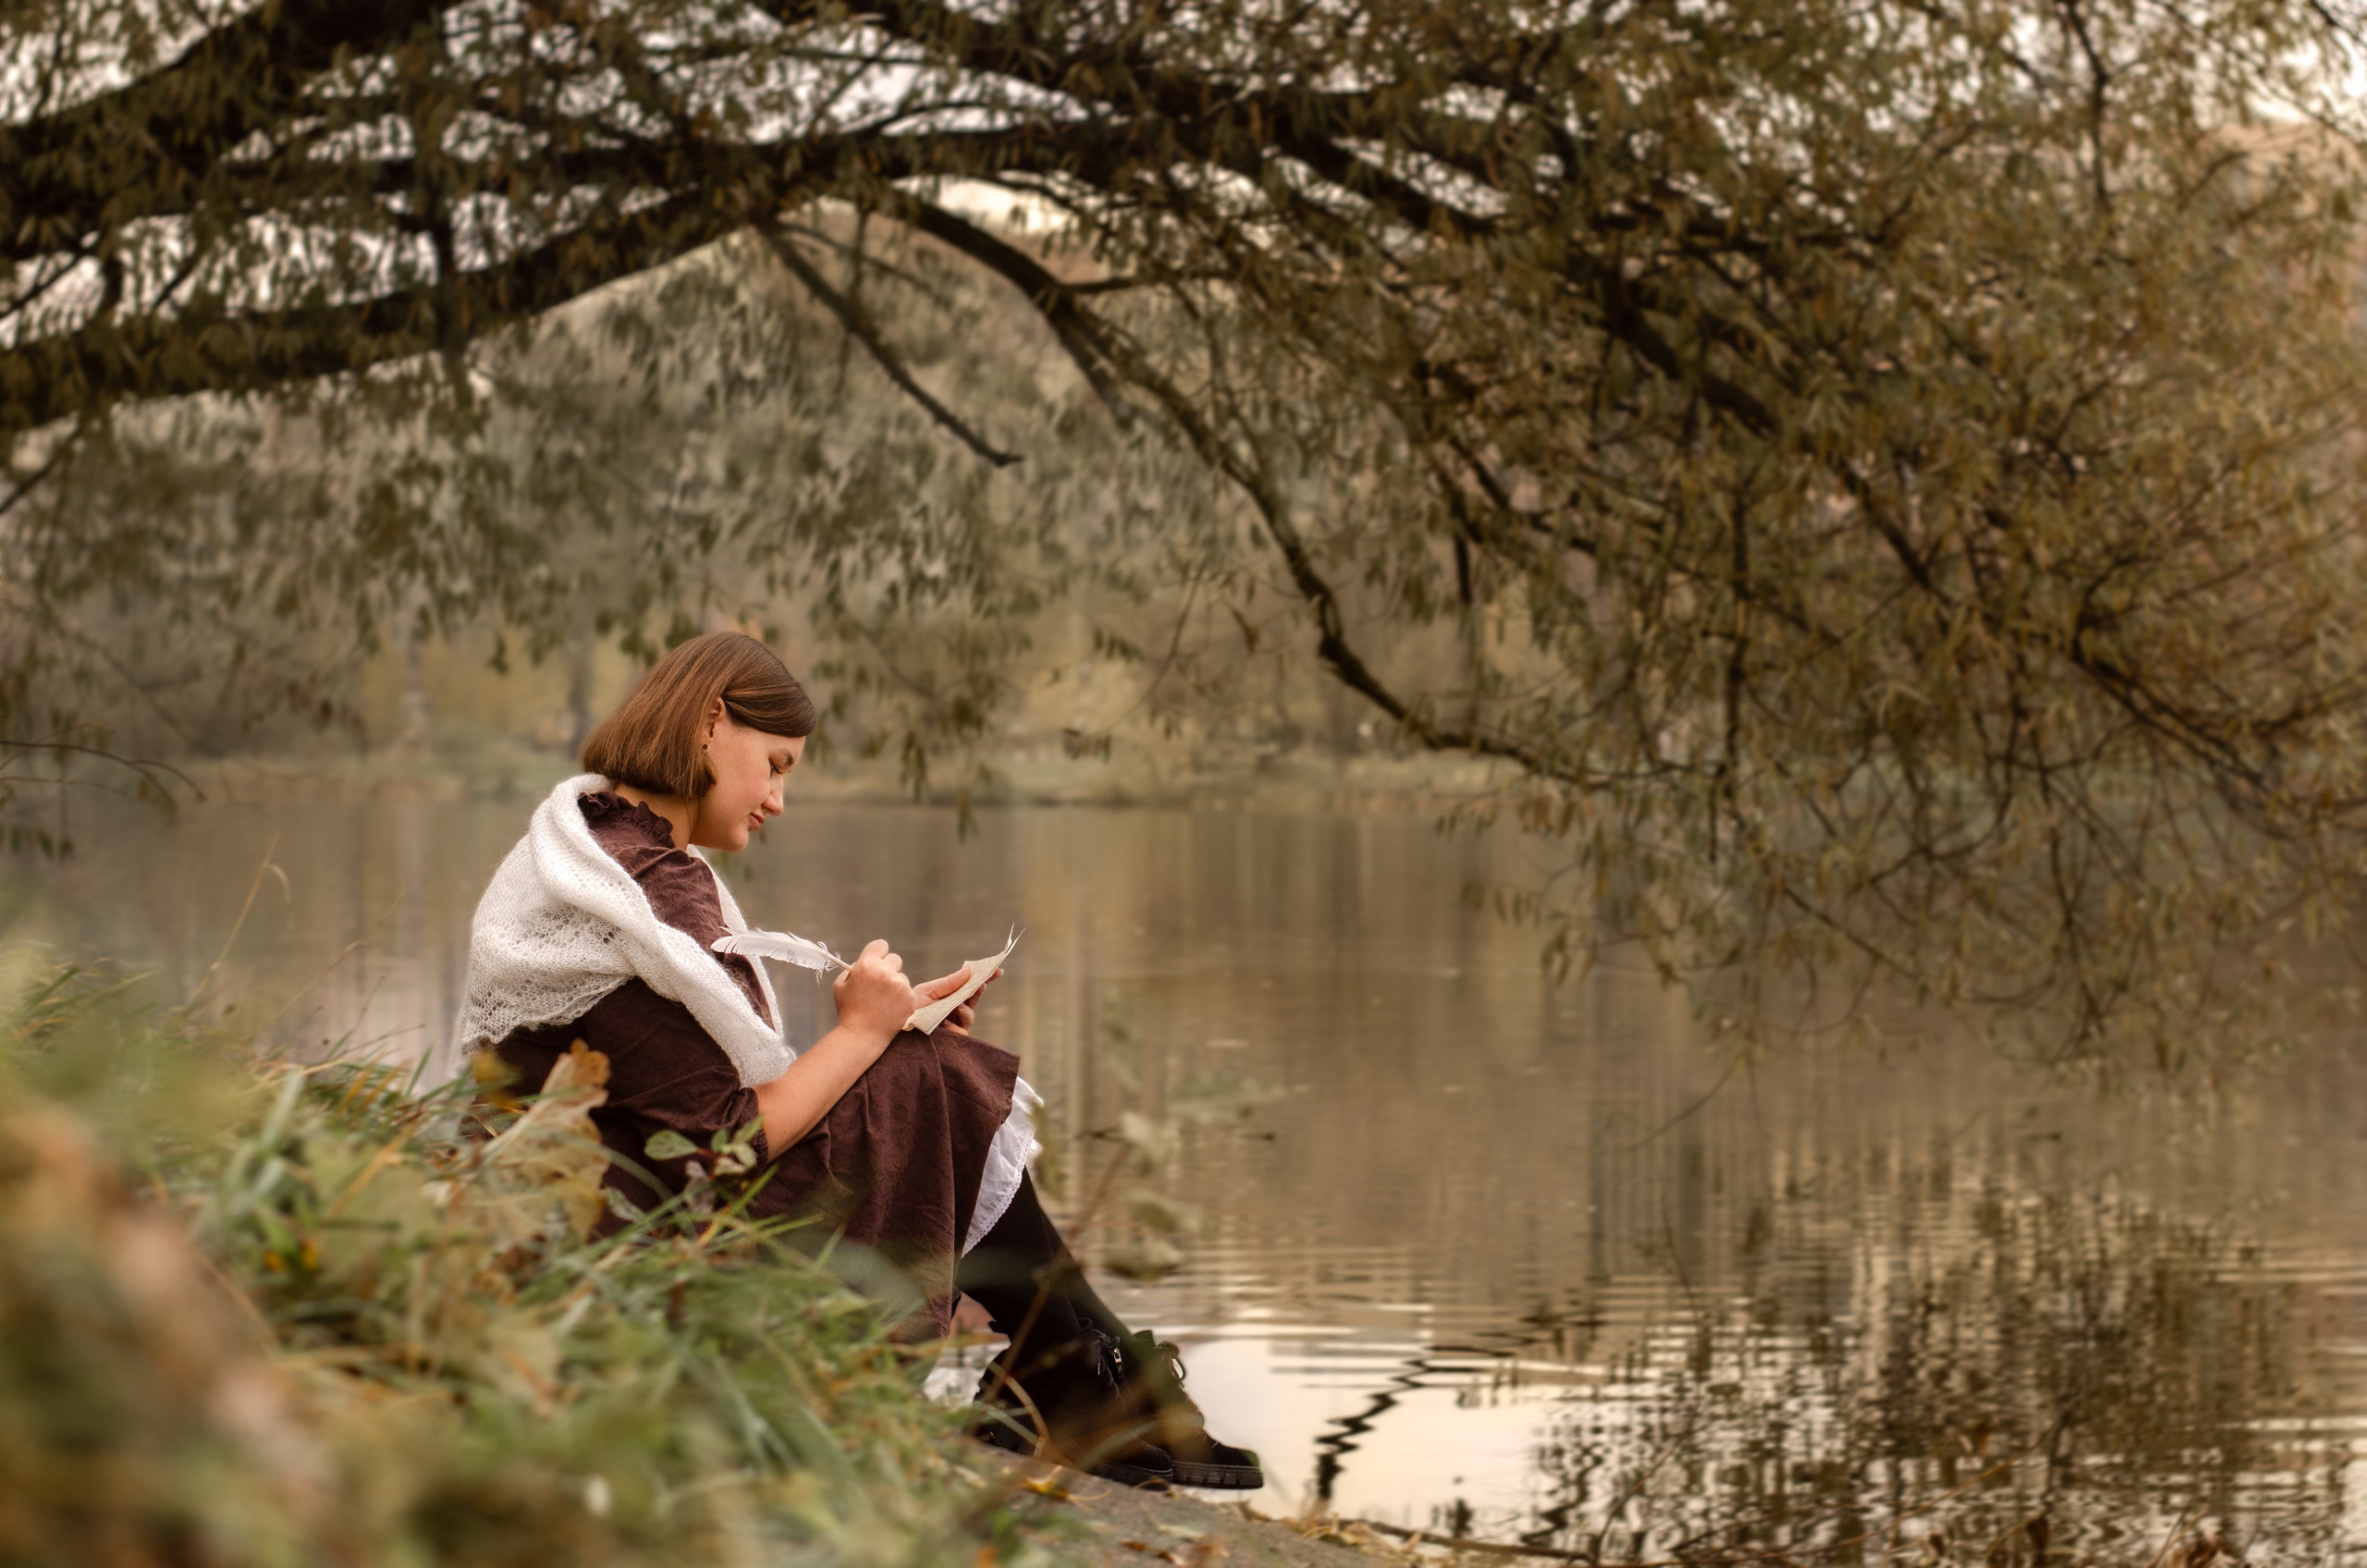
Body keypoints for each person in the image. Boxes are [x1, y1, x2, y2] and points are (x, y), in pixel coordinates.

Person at [455, 631, 1259, 1490]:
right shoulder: (647, 888)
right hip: (649, 1272)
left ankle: (1073, 1379)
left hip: (591, 1228)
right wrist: (865, 1035)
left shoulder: (592, 845)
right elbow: (724, 1141)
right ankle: (1079, 1381)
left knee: (928, 1075)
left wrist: (881, 1033)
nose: (777, 799)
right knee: (935, 1080)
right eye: (776, 763)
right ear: (709, 723)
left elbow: (686, 1106)